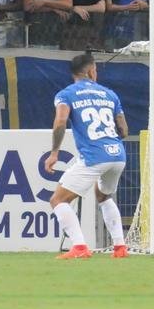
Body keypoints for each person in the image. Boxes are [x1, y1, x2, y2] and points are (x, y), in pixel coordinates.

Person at [42, 53, 130, 259]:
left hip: (94, 156)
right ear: (91, 71)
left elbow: (61, 122)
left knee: (58, 200)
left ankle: (80, 247)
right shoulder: (110, 94)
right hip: (118, 155)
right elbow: (124, 130)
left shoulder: (66, 94)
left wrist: (54, 152)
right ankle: (120, 247)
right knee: (103, 195)